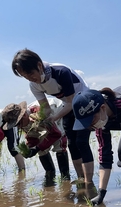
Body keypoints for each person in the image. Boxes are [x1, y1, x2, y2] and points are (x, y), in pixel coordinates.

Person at [11, 49, 93, 182]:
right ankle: (81, 179)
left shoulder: (61, 72)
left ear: (39, 65)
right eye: (25, 76)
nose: (31, 79)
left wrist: (54, 118)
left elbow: (71, 102)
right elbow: (46, 109)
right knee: (72, 144)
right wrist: (39, 121)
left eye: (31, 74)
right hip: (67, 105)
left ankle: (89, 182)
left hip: (84, 103)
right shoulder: (34, 86)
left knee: (81, 142)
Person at [1, 100, 70, 185]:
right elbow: (32, 136)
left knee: (59, 144)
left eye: (18, 123)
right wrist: (30, 148)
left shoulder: (41, 113)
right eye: (16, 125)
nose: (19, 127)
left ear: (24, 115)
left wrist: (37, 148)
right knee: (41, 150)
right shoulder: (23, 122)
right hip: (44, 121)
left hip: (56, 112)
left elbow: (56, 134)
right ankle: (50, 175)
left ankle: (65, 177)